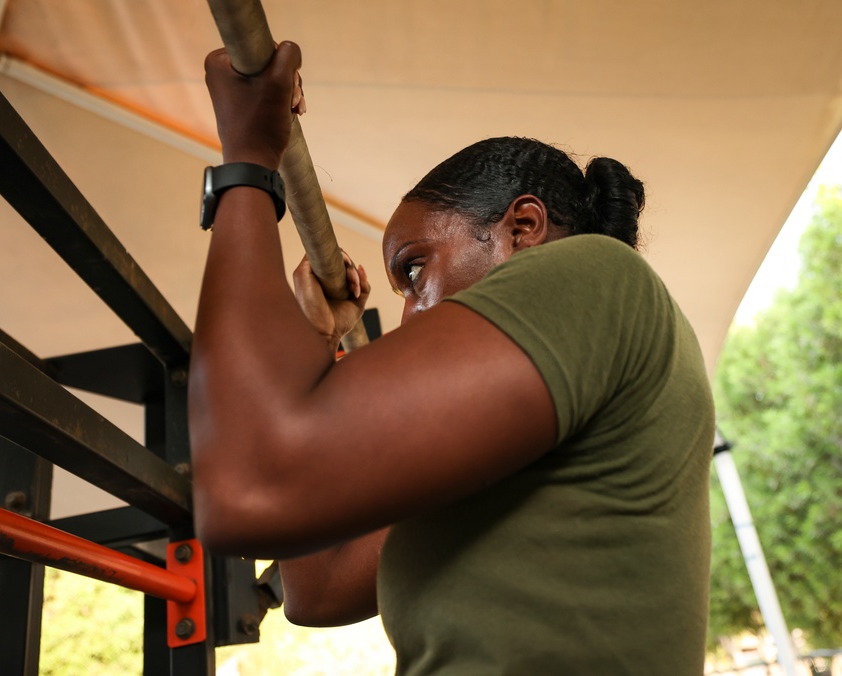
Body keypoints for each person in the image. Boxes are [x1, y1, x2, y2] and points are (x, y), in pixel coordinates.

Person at [190, 41, 714, 675]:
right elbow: (316, 587)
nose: (408, 312)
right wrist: (315, 336)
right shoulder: (513, 439)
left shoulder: (598, 274)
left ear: (522, 230)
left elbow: (245, 491)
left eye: (414, 269)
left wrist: (246, 163)